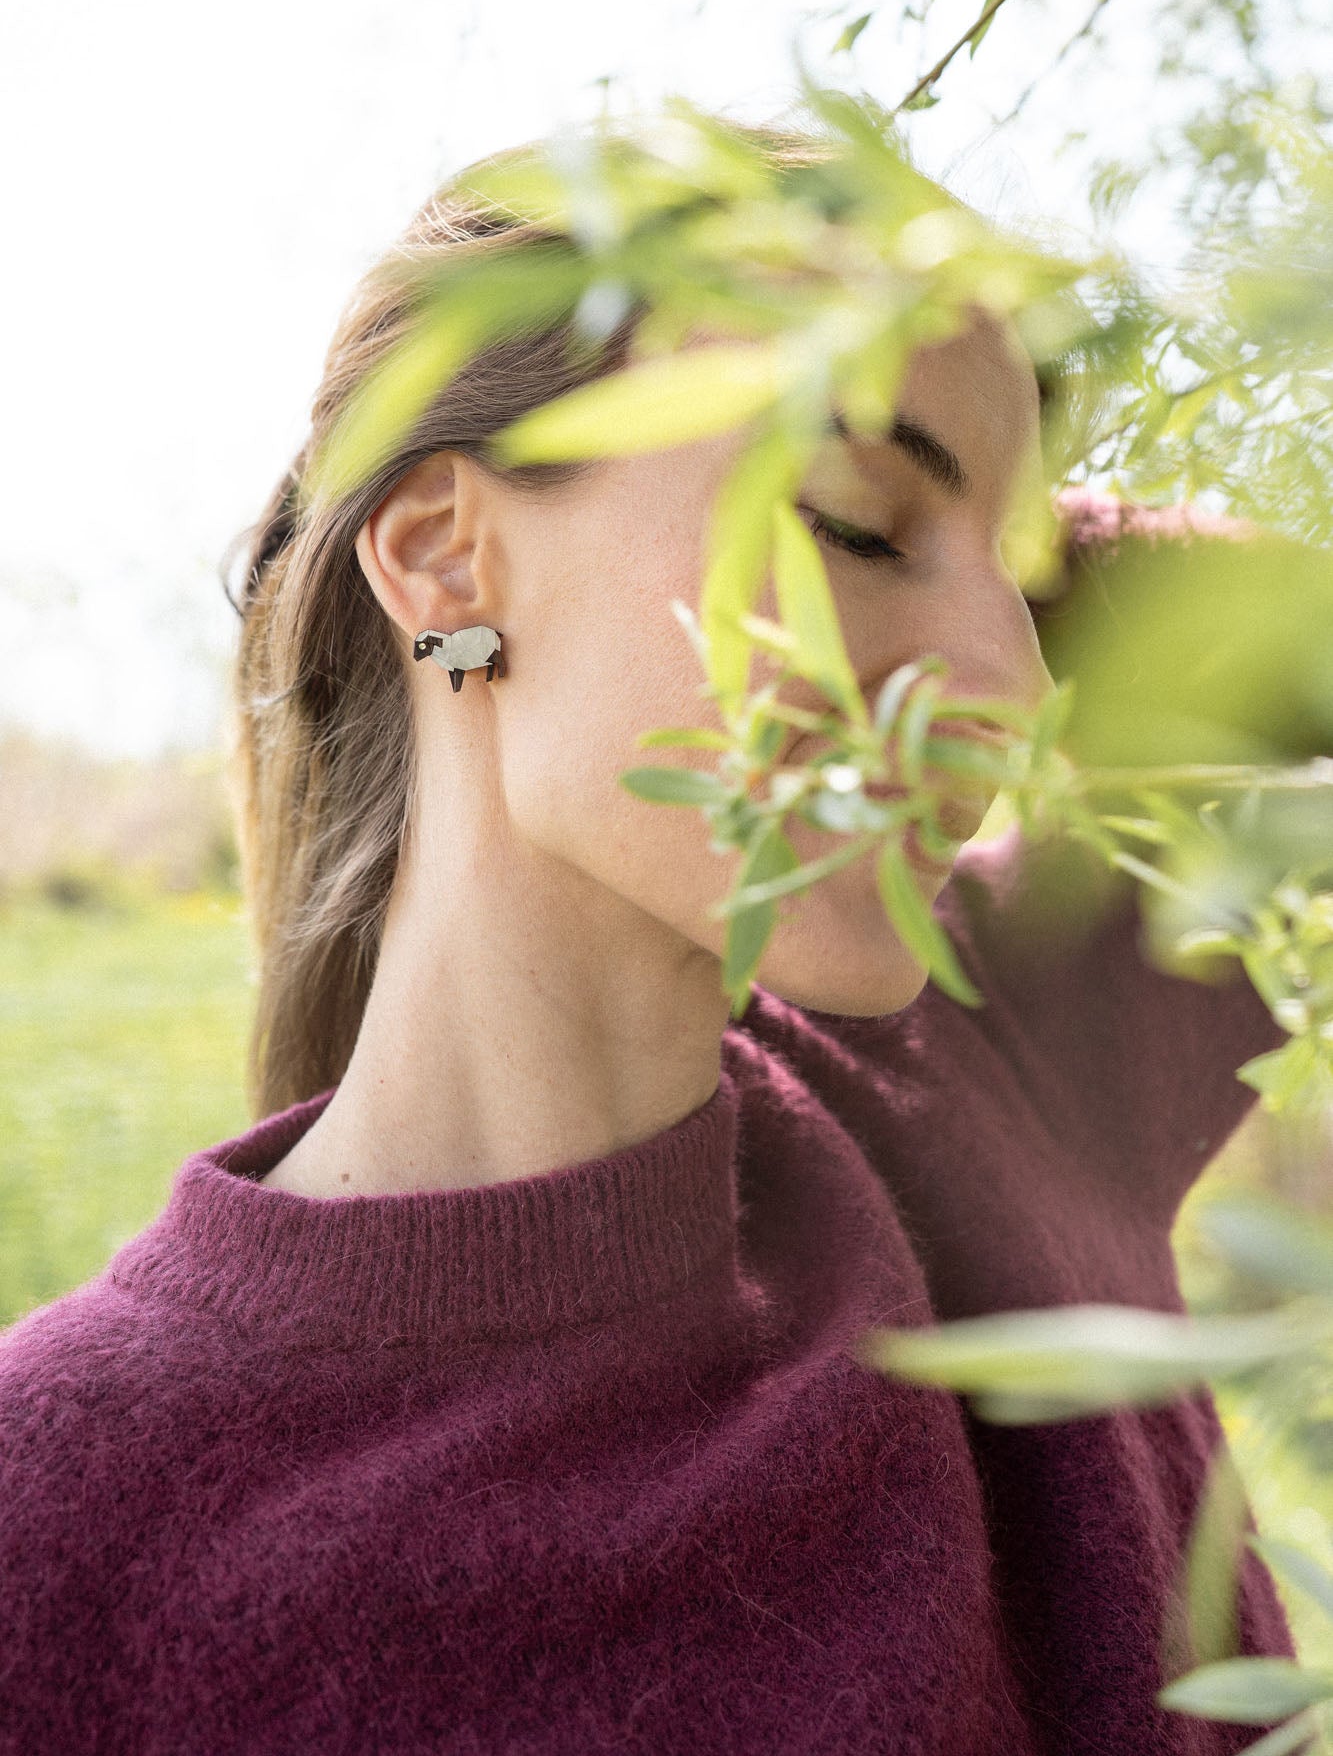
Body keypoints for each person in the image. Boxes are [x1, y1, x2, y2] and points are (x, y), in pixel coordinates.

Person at [0, 127, 1295, 1756]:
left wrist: (972, 498)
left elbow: (1281, 642)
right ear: (444, 557)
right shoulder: (55, 1525)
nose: (1016, 694)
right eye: (849, 521)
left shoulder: (1010, 1044)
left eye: (1028, 598)